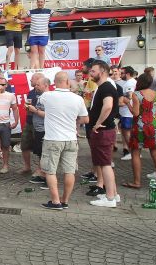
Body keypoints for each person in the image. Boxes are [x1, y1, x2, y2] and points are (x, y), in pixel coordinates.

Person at [38, 71, 89, 209]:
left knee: (50, 171)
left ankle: (55, 201)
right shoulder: (77, 99)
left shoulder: (47, 95)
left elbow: (40, 104)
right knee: (69, 171)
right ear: (68, 82)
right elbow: (85, 119)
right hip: (71, 138)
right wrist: (73, 119)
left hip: (53, 138)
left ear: (54, 82)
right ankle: (65, 200)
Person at [86, 61, 121, 207]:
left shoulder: (106, 86)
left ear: (103, 71)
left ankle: (110, 197)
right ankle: (114, 194)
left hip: (104, 131)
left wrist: (98, 123)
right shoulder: (103, 87)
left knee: (105, 164)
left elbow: (108, 106)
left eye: (93, 71)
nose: (91, 74)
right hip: (104, 130)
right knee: (104, 163)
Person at [126, 73, 156, 189]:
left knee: (135, 152)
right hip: (154, 125)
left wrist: (127, 103)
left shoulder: (137, 94)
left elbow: (135, 113)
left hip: (139, 126)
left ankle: (137, 182)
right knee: (155, 153)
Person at [23, 73, 49, 185]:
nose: (35, 86)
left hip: (44, 128)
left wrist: (35, 111)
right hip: (34, 124)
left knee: (44, 152)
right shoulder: (33, 93)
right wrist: (29, 109)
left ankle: (45, 176)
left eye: (37, 84)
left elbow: (49, 114)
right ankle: (41, 173)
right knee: (38, 151)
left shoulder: (48, 96)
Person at [26, 0, 59, 69]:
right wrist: (18, 15)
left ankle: (41, 68)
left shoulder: (49, 11)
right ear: (36, 3)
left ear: (44, 3)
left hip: (43, 35)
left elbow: (58, 15)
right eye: (39, 2)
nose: (40, 3)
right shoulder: (31, 11)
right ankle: (31, 68)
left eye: (41, 2)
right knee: (33, 52)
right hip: (33, 35)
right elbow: (22, 16)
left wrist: (69, 13)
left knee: (41, 52)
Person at [0, 0, 26, 67]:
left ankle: (16, 68)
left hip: (18, 30)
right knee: (10, 49)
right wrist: (10, 19)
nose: (17, 1)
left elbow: (24, 19)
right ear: (12, 0)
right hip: (9, 30)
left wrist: (19, 21)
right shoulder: (7, 7)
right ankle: (7, 67)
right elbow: (2, 20)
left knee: (17, 50)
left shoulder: (21, 7)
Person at [116, 67, 137, 160]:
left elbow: (129, 96)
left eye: (122, 73)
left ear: (128, 74)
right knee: (125, 132)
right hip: (126, 112)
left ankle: (133, 152)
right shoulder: (130, 82)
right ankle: (132, 151)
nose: (120, 75)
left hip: (127, 113)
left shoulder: (130, 83)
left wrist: (120, 103)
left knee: (127, 132)